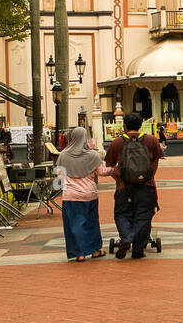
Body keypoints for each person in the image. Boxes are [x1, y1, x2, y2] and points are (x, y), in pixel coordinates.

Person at [103, 112, 165, 260]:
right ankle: (137, 250)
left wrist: (119, 178)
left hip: (123, 187)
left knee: (122, 214)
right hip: (146, 186)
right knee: (144, 216)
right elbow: (156, 161)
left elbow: (109, 165)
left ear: (124, 126)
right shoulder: (151, 140)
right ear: (141, 125)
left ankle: (126, 237)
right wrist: (149, 177)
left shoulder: (116, 143)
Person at [56, 126, 105, 261]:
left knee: (74, 224)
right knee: (91, 222)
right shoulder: (93, 155)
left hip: (70, 196)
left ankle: (80, 253)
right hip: (90, 194)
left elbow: (59, 177)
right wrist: (115, 170)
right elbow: (101, 172)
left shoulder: (63, 155)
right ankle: (95, 250)